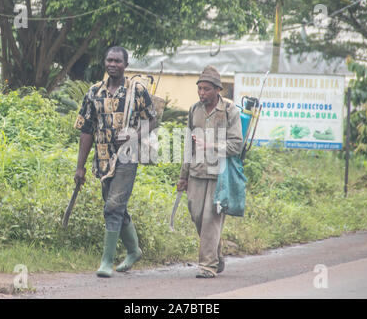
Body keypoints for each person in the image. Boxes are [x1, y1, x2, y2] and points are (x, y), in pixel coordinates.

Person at [73, 46, 157, 278]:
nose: (113, 64)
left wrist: (134, 135)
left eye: (118, 61)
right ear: (104, 62)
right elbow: (86, 130)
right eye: (109, 60)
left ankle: (106, 261)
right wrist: (79, 166)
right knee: (116, 207)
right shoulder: (94, 92)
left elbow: (152, 119)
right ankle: (133, 250)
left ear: (125, 65)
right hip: (101, 158)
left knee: (112, 207)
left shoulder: (136, 90)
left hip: (127, 157)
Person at [177, 65, 243, 278]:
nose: (202, 93)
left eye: (206, 89)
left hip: (219, 176)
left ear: (217, 89)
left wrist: (211, 144)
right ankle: (215, 253)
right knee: (196, 216)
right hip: (196, 173)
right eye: (200, 89)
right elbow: (189, 144)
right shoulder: (194, 110)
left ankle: (207, 266)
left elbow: (236, 146)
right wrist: (182, 177)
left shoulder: (229, 111)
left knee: (210, 219)